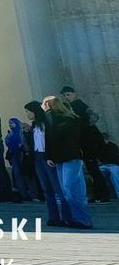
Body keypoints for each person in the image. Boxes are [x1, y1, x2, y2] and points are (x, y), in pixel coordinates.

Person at [43, 94, 93, 228]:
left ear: (48, 105)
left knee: (69, 188)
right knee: (70, 189)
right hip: (66, 157)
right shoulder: (68, 119)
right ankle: (75, 218)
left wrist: (49, 156)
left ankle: (81, 218)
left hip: (67, 157)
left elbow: (51, 138)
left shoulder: (58, 118)